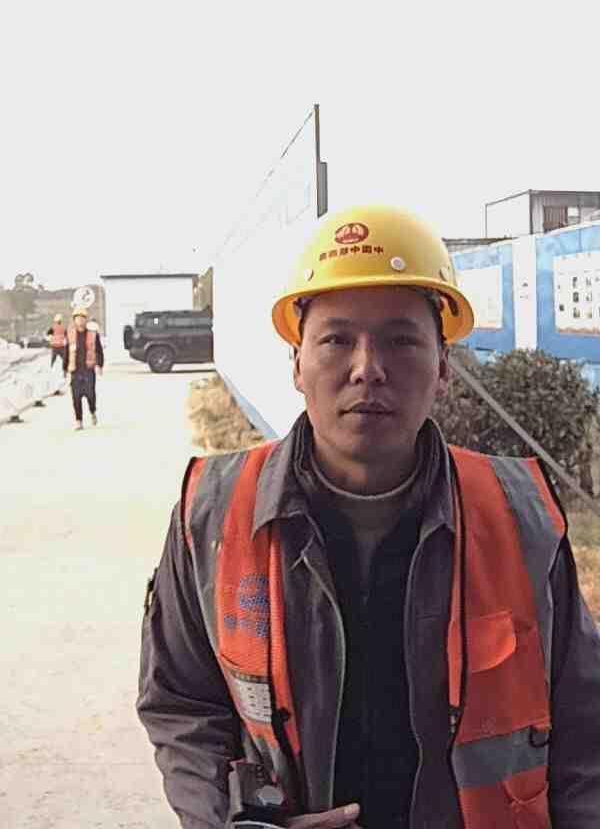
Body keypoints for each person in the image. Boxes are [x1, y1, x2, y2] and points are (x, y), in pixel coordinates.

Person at [137, 206, 600, 829]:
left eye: (401, 340)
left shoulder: (520, 516)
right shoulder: (213, 515)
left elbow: (584, 727)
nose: (367, 368)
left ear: (442, 367)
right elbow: (182, 703)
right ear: (296, 363)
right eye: (336, 340)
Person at [63, 307, 104, 430]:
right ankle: (79, 421)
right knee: (76, 397)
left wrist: (99, 365)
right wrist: (64, 368)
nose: (80, 320)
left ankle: (92, 411)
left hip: (88, 370)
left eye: (82, 318)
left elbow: (99, 351)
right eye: (77, 318)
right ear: (74, 320)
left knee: (90, 395)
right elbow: (66, 351)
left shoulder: (93, 334)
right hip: (75, 370)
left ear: (86, 320)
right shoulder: (70, 334)